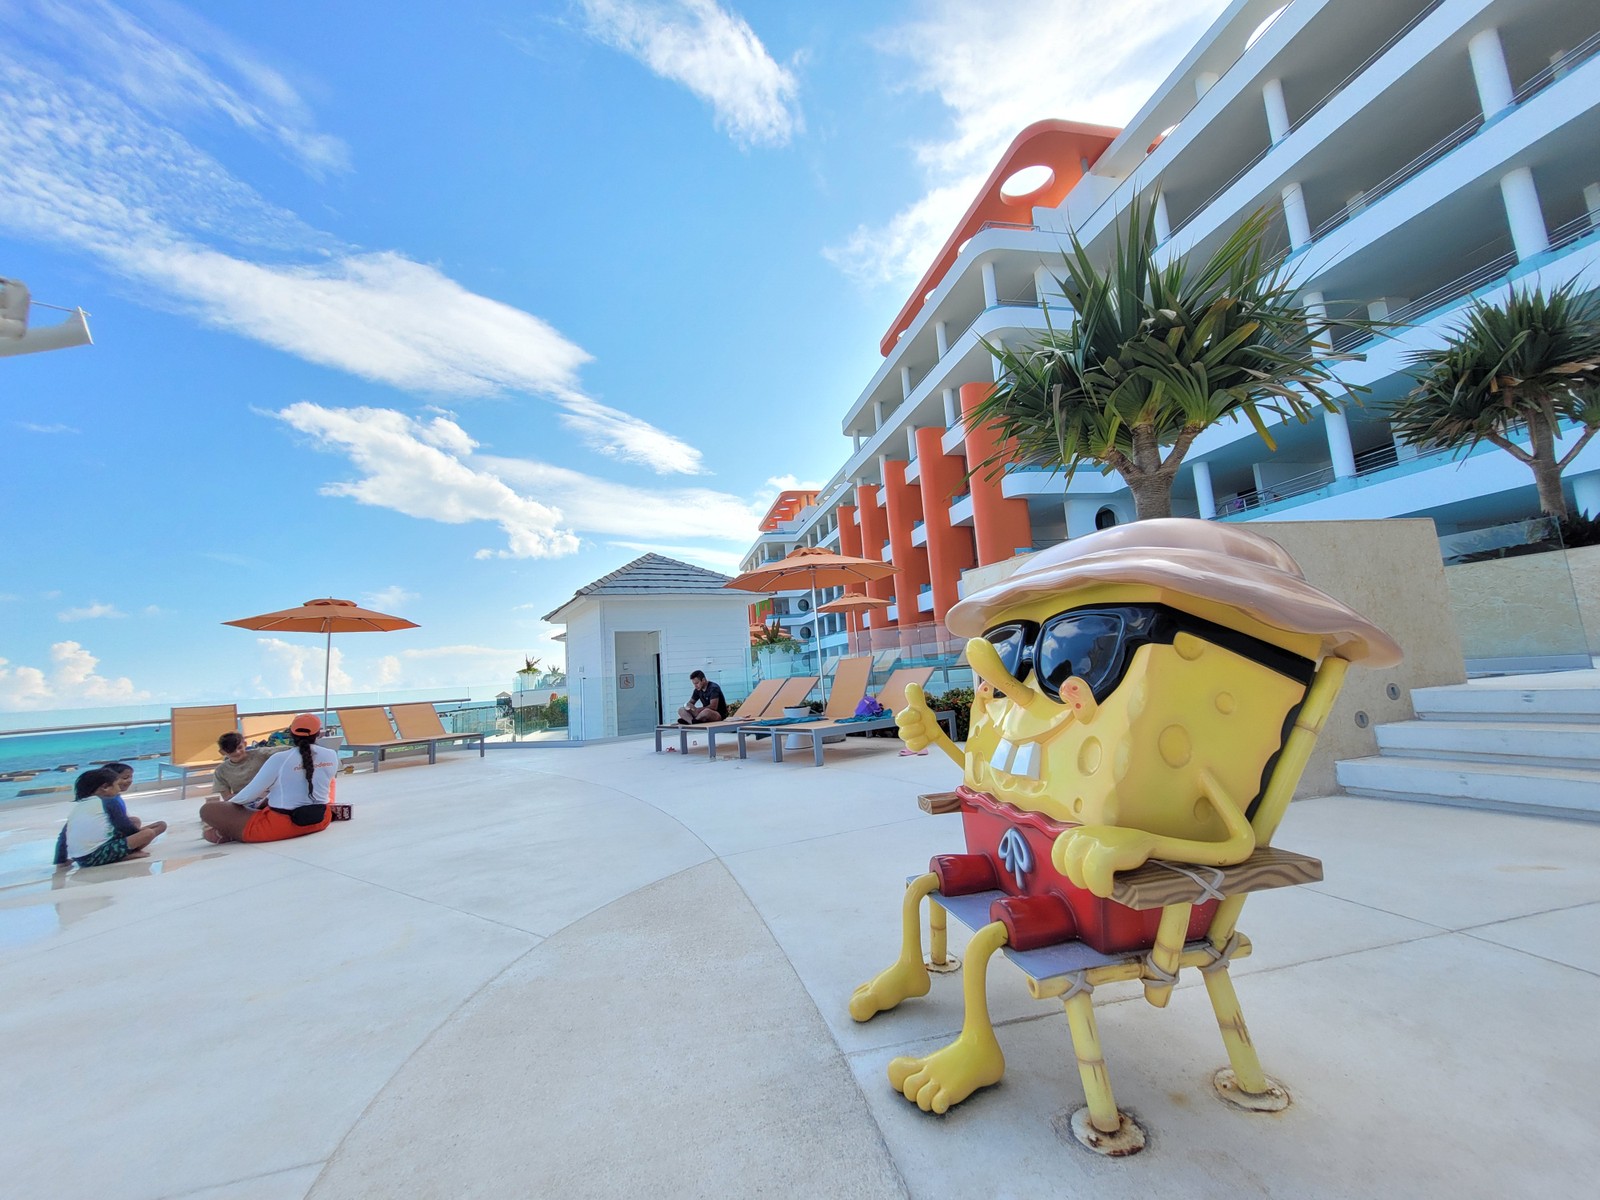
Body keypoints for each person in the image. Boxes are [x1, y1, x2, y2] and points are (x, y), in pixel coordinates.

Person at [198, 713, 338, 844]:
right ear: (318, 734)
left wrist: (229, 808)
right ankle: (230, 830)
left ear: (290, 733)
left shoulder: (279, 759)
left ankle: (229, 831)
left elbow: (247, 796)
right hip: (321, 820)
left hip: (280, 826)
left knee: (208, 810)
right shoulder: (331, 755)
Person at [53, 766, 168, 868]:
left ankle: (125, 851)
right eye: (117, 785)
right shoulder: (109, 802)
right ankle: (123, 855)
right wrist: (139, 839)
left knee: (135, 821)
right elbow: (125, 827)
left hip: (81, 858)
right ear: (105, 787)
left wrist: (60, 860)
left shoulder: (79, 807)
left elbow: (63, 836)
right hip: (94, 857)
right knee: (149, 833)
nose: (119, 789)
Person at [212, 731, 276, 800]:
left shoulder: (261, 753)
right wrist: (254, 794)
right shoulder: (220, 771)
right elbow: (227, 797)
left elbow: (288, 750)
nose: (237, 752)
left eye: (239, 748)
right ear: (222, 752)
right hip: (243, 802)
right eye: (231, 750)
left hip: (270, 797)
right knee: (208, 808)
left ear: (245, 744)